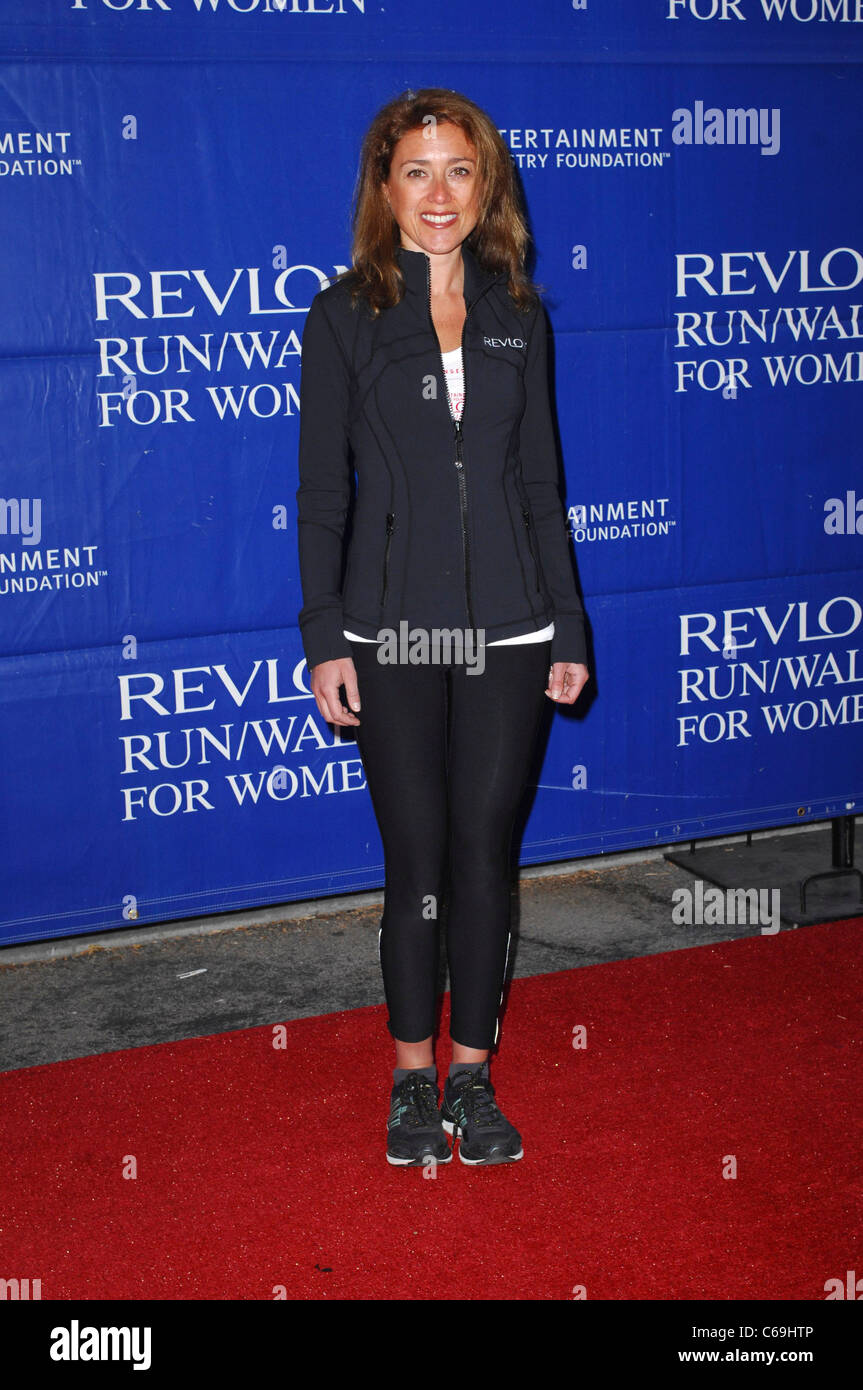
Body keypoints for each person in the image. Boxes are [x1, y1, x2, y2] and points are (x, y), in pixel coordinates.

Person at [296, 87, 590, 1166]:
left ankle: (473, 1074)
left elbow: (540, 484)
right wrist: (325, 636)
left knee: (482, 858)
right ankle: (410, 1080)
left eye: (457, 170)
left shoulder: (521, 310)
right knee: (415, 856)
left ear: (486, 184)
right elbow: (321, 495)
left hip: (509, 632)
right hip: (394, 634)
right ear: (384, 189)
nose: (437, 192)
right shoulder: (342, 317)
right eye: (415, 170)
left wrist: (566, 627)